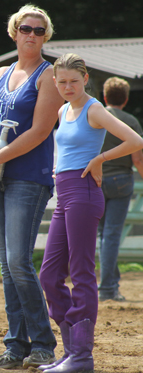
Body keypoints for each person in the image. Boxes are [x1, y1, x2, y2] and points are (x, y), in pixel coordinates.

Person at [0, 4, 64, 369]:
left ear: (46, 36)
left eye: (40, 31)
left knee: (18, 262)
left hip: (28, 176)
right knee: (8, 267)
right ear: (14, 32)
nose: (32, 34)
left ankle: (42, 344)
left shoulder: (49, 74)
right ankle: (16, 345)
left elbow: (40, 131)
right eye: (26, 28)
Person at [38, 54, 143, 373]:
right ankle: (71, 351)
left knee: (82, 272)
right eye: (62, 82)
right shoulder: (61, 109)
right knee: (49, 275)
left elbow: (135, 139)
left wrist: (99, 160)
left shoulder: (94, 108)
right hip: (65, 193)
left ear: (86, 79)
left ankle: (82, 356)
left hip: (84, 193)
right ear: (55, 82)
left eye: (74, 80)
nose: (68, 87)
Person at [97, 77, 143, 302]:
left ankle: (110, 282)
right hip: (121, 180)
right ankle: (107, 288)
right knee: (112, 235)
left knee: (103, 235)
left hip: (96, 180)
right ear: (125, 99)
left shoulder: (94, 116)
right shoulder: (131, 121)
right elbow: (138, 159)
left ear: (105, 97)